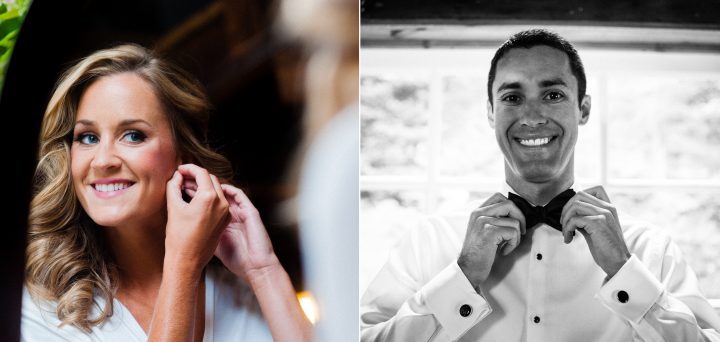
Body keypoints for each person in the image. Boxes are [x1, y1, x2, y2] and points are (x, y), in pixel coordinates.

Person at [360, 29, 720, 341]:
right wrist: (463, 275)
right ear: (491, 112)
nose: (532, 117)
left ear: (583, 109)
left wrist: (625, 271)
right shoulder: (429, 242)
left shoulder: (649, 249)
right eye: (512, 98)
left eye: (553, 95)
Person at [22, 44, 312, 341]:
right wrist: (182, 264)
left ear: (182, 155)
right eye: (87, 137)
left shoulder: (241, 289)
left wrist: (264, 271)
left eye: (133, 135)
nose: (103, 159)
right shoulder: (40, 310)